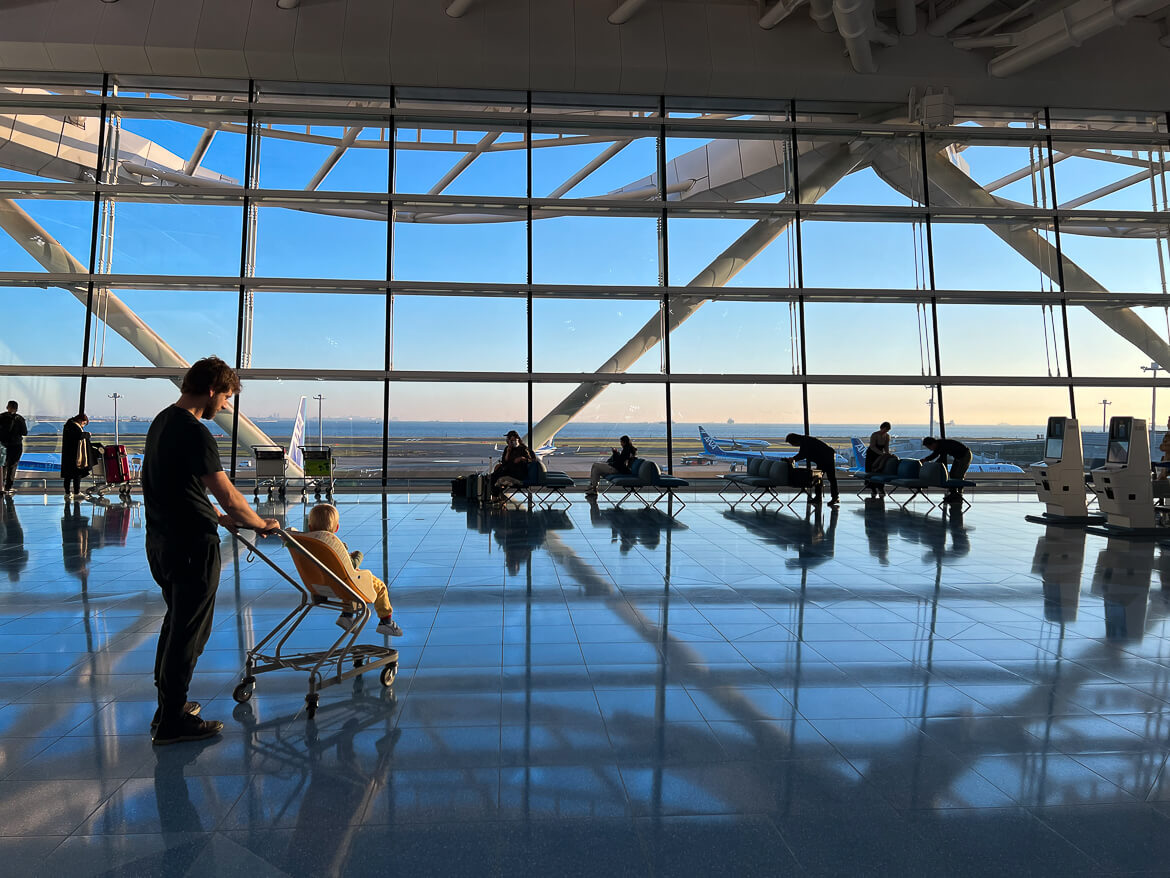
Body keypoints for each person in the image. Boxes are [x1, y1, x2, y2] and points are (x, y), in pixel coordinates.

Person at [143, 356, 279, 746]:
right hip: (191, 548)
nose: (225, 406)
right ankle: (171, 722)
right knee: (190, 633)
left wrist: (215, 516)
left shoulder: (161, 422)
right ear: (210, 390)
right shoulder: (194, 431)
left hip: (162, 543)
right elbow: (230, 494)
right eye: (226, 396)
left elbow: (175, 486)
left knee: (175, 625)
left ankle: (169, 706)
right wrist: (259, 523)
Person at [303, 502, 402, 636]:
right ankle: (386, 622)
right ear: (336, 527)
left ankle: (347, 615)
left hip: (320, 586)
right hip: (344, 584)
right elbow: (352, 565)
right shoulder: (333, 546)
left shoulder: (307, 545)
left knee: (345, 583)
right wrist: (358, 555)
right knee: (380, 587)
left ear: (310, 527)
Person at [785, 433, 840, 506]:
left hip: (826, 458)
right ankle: (831, 497)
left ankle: (829, 498)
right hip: (825, 457)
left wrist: (793, 459)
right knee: (823, 478)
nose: (793, 445)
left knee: (827, 478)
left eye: (792, 443)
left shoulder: (805, 441)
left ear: (795, 440)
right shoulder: (805, 440)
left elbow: (802, 454)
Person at [922, 436, 973, 502]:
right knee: (952, 474)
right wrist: (926, 460)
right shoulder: (939, 445)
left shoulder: (943, 445)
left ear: (933, 444)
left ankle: (958, 494)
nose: (930, 449)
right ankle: (954, 493)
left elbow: (942, 458)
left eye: (929, 447)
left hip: (965, 455)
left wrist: (932, 466)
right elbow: (935, 454)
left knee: (958, 475)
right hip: (959, 457)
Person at [491, 430, 534, 498]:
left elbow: (532, 460)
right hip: (508, 470)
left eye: (512, 440)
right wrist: (508, 452)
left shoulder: (523, 449)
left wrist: (522, 458)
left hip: (517, 473)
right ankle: (496, 496)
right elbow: (504, 462)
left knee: (495, 476)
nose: (509, 441)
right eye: (509, 439)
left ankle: (495, 497)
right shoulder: (507, 449)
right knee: (493, 476)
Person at [0, 400, 28, 495]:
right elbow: (24, 432)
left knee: (2, 465)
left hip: (3, 445)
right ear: (16, 408)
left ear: (7, 407)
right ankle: (8, 487)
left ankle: (1, 486)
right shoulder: (19, 419)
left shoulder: (1, 417)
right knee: (12, 467)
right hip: (16, 445)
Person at [61, 412, 91, 499]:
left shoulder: (68, 425)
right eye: (84, 423)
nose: (83, 426)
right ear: (80, 420)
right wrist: (87, 434)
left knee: (68, 476)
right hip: (75, 454)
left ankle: (67, 492)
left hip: (68, 453)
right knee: (76, 474)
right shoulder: (74, 426)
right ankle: (76, 492)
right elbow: (79, 436)